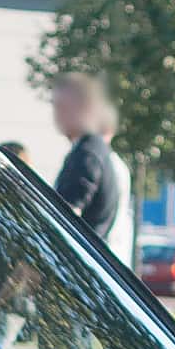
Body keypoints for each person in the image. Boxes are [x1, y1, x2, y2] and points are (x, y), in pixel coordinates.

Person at [46, 72, 131, 258]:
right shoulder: (95, 150)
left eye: (61, 106)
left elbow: (64, 220)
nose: (56, 114)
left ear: (83, 108)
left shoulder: (87, 155)